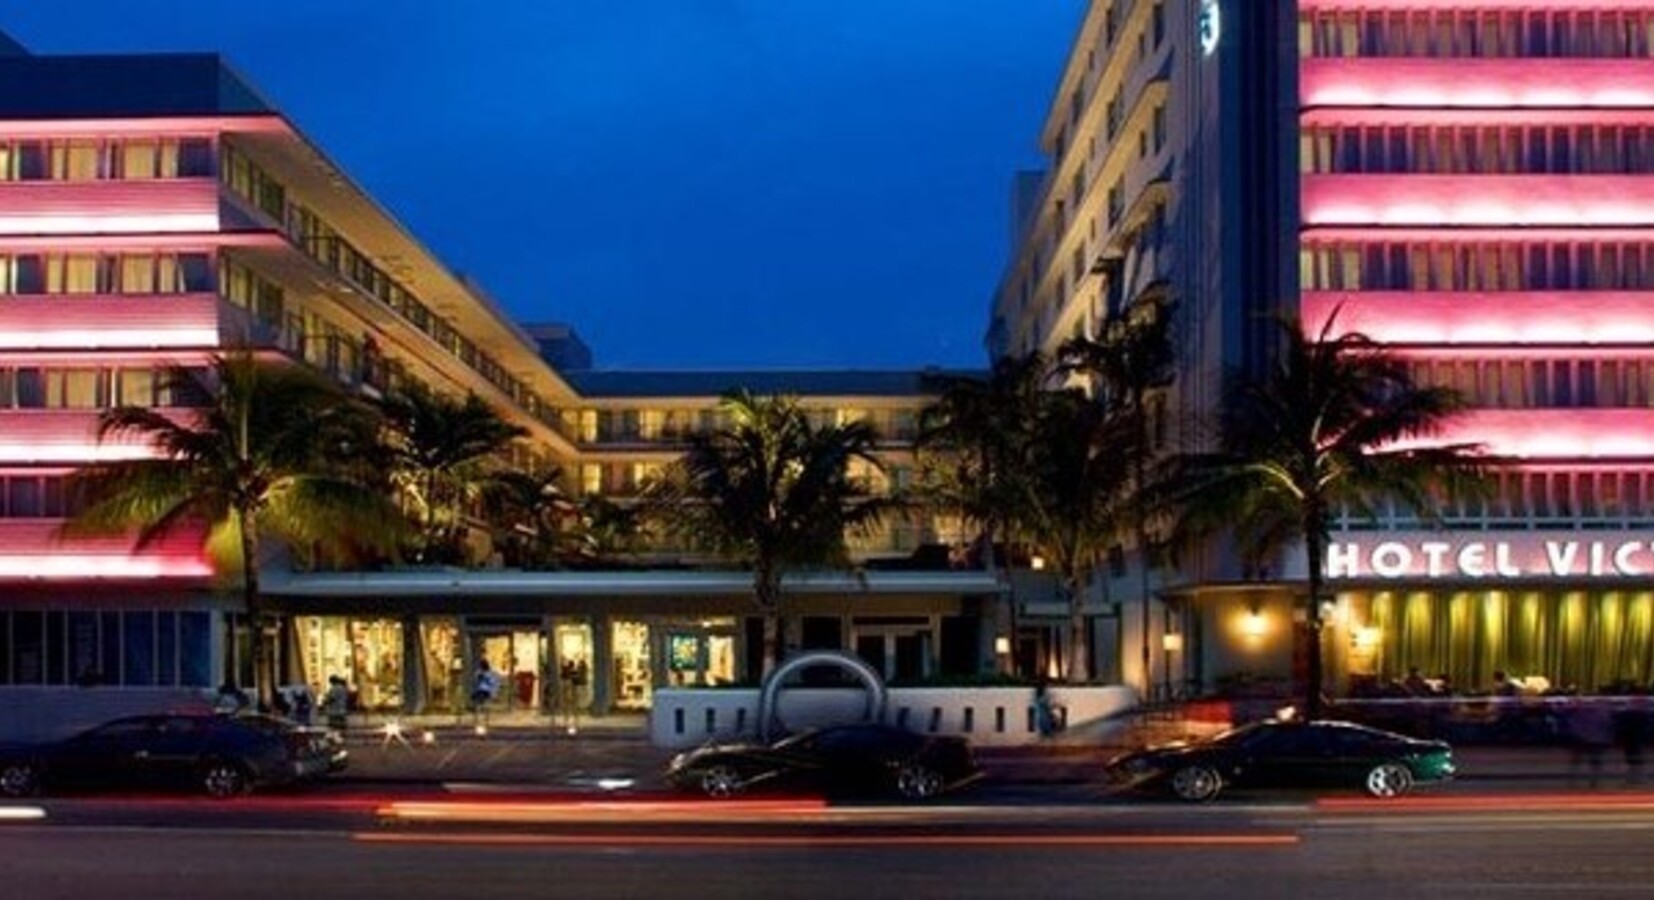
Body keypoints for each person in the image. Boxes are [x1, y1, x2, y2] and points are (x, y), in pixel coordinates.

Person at [471, 658, 502, 724]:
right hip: (482, 691)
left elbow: (493, 683)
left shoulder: (488, 674)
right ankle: (479, 717)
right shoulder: (480, 673)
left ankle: (481, 717)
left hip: (485, 691)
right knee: (479, 703)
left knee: (481, 704)